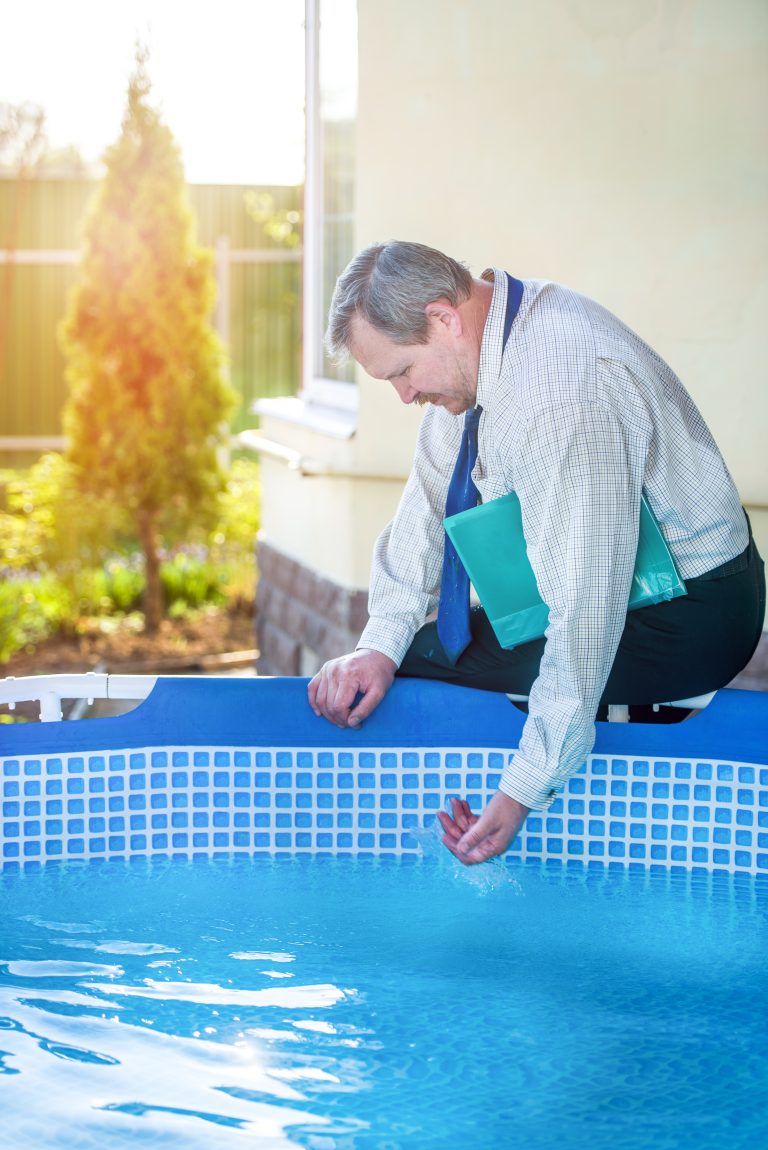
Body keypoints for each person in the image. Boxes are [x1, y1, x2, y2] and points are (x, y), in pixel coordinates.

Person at [307, 241, 765, 866]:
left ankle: (531, 824)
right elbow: (426, 511)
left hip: (692, 607)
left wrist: (521, 789)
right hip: (623, 583)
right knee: (397, 656)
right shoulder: (487, 343)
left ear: (442, 317)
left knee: (424, 666)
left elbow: (585, 605)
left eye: (401, 373)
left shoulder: (562, 391)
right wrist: (377, 643)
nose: (404, 396)